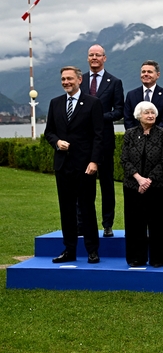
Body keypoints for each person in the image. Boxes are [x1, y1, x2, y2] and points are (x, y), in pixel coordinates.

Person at [44, 66, 103, 264]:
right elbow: (49, 132)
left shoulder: (93, 103)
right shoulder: (55, 103)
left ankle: (92, 250)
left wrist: (94, 161)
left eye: (69, 78)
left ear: (79, 80)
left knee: (87, 209)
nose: (66, 82)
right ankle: (69, 250)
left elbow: (98, 135)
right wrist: (56, 142)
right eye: (63, 79)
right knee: (66, 210)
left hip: (85, 166)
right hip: (63, 166)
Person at [123, 60, 163, 237]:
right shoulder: (131, 95)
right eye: (143, 71)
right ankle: (140, 226)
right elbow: (128, 121)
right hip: (136, 151)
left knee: (160, 196)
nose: (146, 74)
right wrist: (138, 138)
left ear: (157, 75)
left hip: (157, 148)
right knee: (136, 197)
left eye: (150, 72)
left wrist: (153, 136)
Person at [120, 101, 163, 267]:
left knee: (157, 223)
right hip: (133, 185)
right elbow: (124, 159)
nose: (150, 115)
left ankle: (157, 259)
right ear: (138, 116)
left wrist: (149, 180)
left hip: (157, 186)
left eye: (153, 113)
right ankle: (136, 258)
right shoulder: (129, 134)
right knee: (135, 223)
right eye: (146, 113)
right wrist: (139, 178)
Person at [80, 44, 123, 237]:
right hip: (82, 142)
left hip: (104, 141)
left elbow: (119, 111)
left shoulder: (114, 82)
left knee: (106, 184)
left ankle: (108, 224)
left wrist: (97, 117)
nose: (94, 58)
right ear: (88, 58)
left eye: (98, 55)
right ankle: (82, 223)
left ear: (104, 58)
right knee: (83, 185)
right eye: (91, 55)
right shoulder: (79, 82)